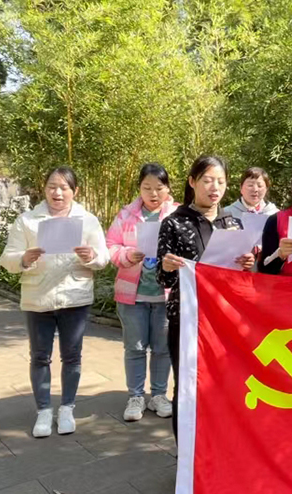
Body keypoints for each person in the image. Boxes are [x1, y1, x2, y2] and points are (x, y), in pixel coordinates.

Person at [0, 167, 109, 438]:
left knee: (72, 356)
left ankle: (67, 408)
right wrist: (24, 258)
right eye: (52, 186)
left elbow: (104, 258)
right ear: (44, 188)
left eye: (64, 187)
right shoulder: (27, 220)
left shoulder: (87, 220)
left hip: (75, 297)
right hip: (38, 298)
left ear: (75, 191)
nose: (57, 192)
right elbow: (7, 258)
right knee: (39, 356)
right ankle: (44, 411)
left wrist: (91, 256)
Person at [156, 155, 255, 439]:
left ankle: (220, 449)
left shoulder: (232, 223)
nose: (215, 188)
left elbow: (242, 280)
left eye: (221, 182)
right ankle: (187, 454)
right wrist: (166, 267)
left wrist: (248, 264)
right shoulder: (174, 223)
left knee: (225, 384)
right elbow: (163, 279)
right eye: (208, 180)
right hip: (187, 319)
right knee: (188, 386)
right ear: (192, 182)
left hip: (225, 319)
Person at [106, 163, 179, 422]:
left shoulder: (178, 214)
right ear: (139, 188)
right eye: (147, 188)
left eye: (159, 188)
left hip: (165, 295)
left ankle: (158, 395)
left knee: (162, 348)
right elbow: (110, 245)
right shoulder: (126, 215)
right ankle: (135, 396)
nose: (153, 193)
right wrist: (127, 254)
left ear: (168, 189)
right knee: (135, 348)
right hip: (132, 294)